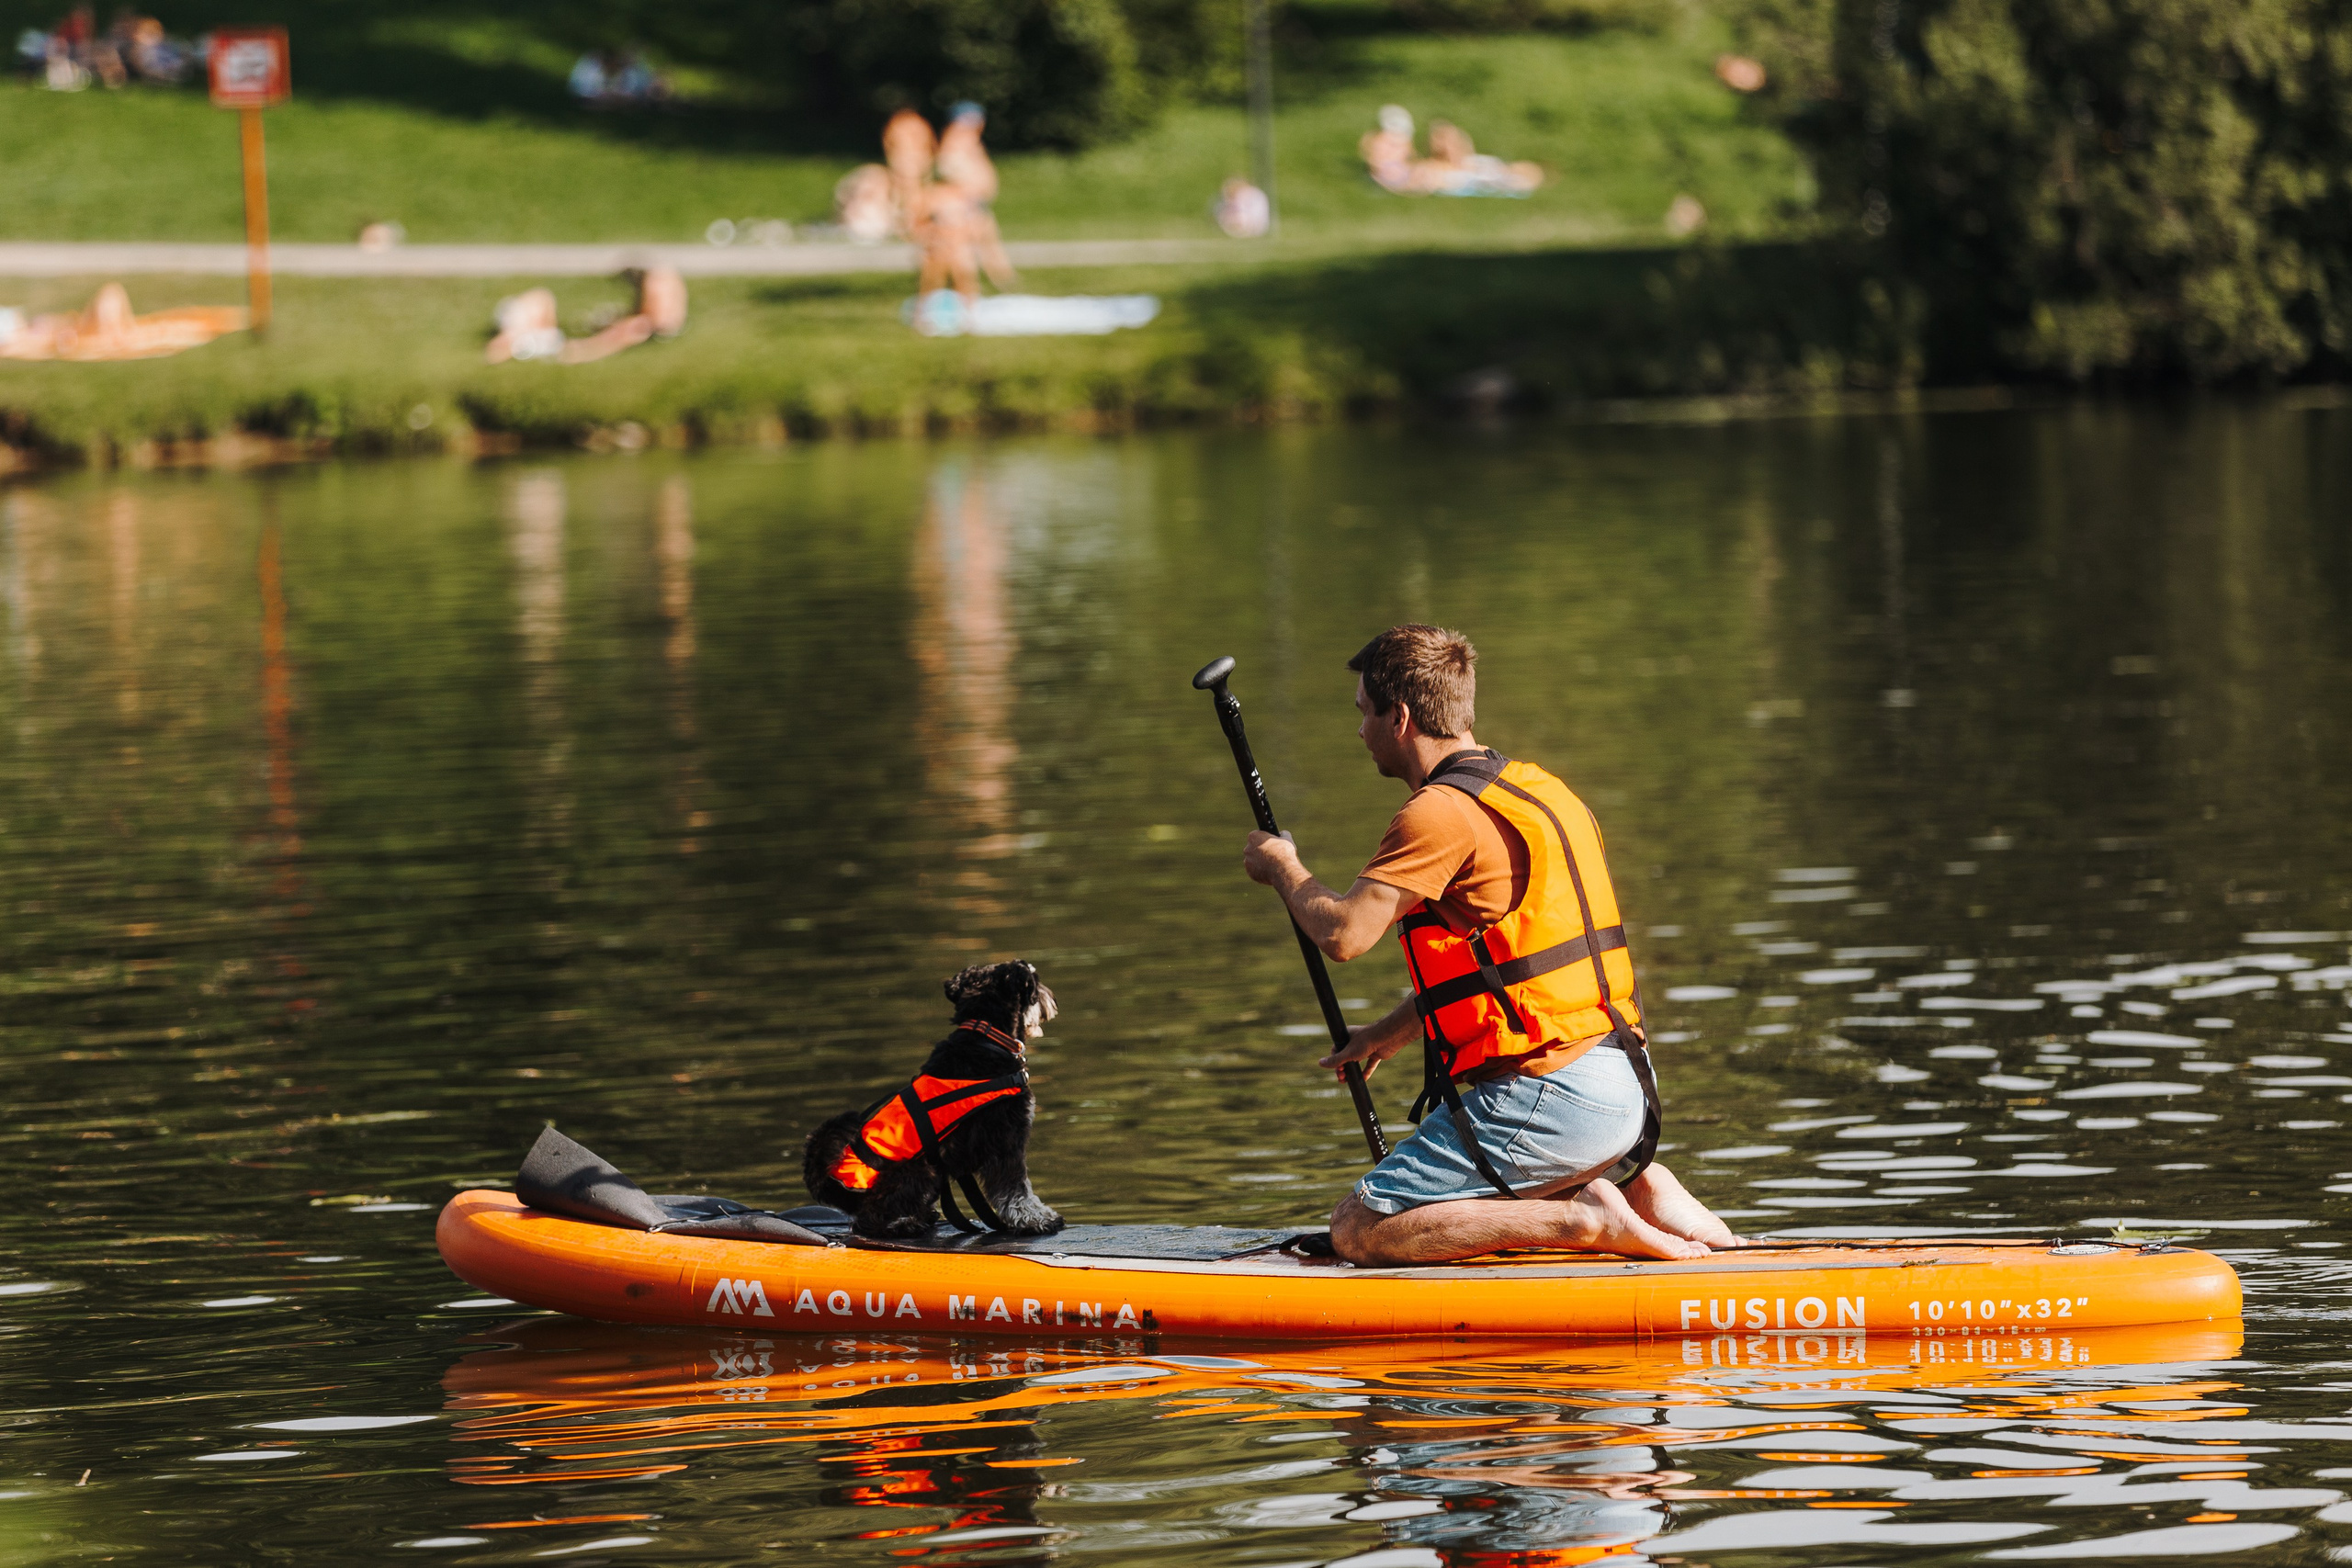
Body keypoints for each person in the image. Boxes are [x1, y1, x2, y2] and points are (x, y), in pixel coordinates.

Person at [1237, 625, 1739, 1265]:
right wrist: (1390, 1031)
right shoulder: (1538, 789)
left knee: (1360, 1227)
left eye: (1364, 713)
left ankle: (1584, 1215)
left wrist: (1283, 867)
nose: (1358, 730)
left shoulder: (1439, 812)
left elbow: (1343, 933)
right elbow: (1516, 965)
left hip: (1559, 1095)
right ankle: (1638, 1189)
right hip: (1627, 1087)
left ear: (1402, 717)